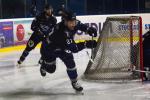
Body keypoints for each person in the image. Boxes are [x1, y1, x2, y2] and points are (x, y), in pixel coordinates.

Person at [40, 11, 97, 92]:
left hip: (62, 46)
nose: (73, 24)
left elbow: (80, 25)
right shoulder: (60, 31)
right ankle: (44, 65)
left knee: (70, 61)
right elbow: (74, 48)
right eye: (70, 22)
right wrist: (86, 44)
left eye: (74, 21)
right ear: (65, 21)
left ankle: (74, 82)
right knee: (51, 70)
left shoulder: (74, 23)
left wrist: (88, 29)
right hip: (49, 48)